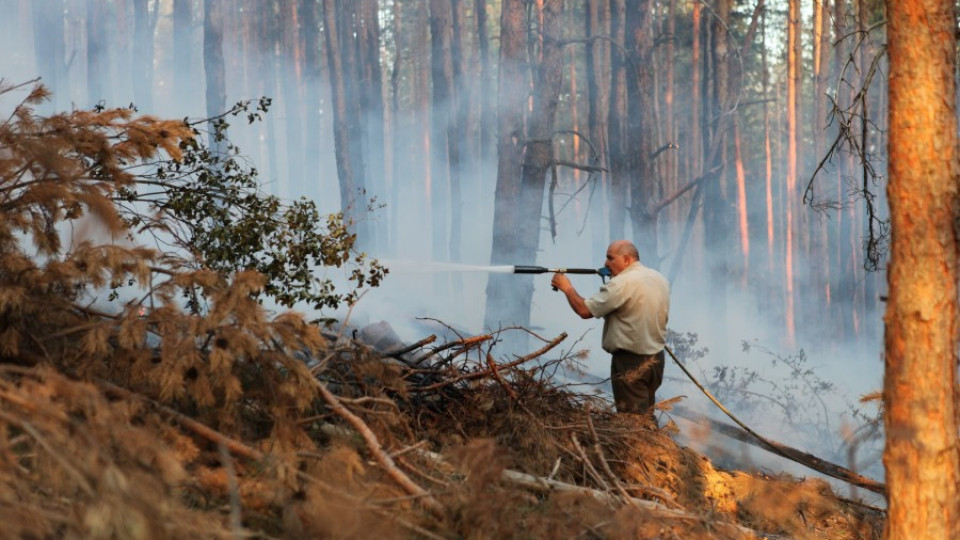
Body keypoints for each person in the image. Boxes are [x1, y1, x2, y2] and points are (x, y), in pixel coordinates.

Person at [551, 240, 670, 419]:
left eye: (610, 258)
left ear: (626, 259)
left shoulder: (622, 283)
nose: (606, 263)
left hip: (631, 362)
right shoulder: (657, 278)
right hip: (656, 359)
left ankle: (646, 447)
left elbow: (584, 310)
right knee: (644, 415)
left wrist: (566, 287)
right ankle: (655, 445)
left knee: (632, 423)